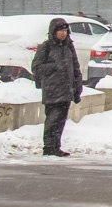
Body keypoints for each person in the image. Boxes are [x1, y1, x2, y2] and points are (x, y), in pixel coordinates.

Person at [31, 18, 82, 156]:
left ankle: (56, 146)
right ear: (53, 31)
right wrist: (54, 66)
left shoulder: (69, 47)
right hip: (52, 91)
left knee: (60, 121)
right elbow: (36, 68)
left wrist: (78, 87)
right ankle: (48, 147)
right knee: (52, 121)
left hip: (66, 90)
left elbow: (76, 68)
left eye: (65, 31)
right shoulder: (46, 47)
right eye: (60, 30)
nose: (63, 34)